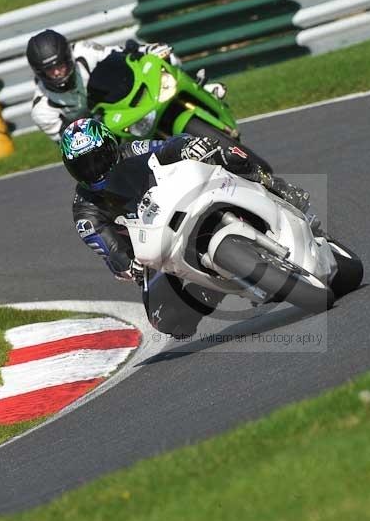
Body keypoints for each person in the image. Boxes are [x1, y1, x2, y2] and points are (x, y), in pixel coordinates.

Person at [61, 117, 314, 337]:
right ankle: (213, 286)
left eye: (99, 159)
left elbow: (167, 146)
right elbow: (110, 248)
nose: (96, 170)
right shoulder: (85, 210)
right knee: (165, 319)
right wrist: (129, 265)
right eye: (85, 166)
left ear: (111, 147)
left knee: (218, 152)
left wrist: (187, 146)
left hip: (182, 201)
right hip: (158, 249)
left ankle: (274, 185)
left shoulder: (132, 150)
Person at [27, 29, 227, 141]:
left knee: (167, 58)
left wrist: (147, 49)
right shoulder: (43, 109)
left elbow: (120, 54)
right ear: (39, 72)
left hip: (119, 102)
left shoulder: (84, 52)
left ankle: (198, 88)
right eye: (49, 70)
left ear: (67, 58)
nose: (56, 72)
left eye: (59, 65)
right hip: (99, 133)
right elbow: (68, 143)